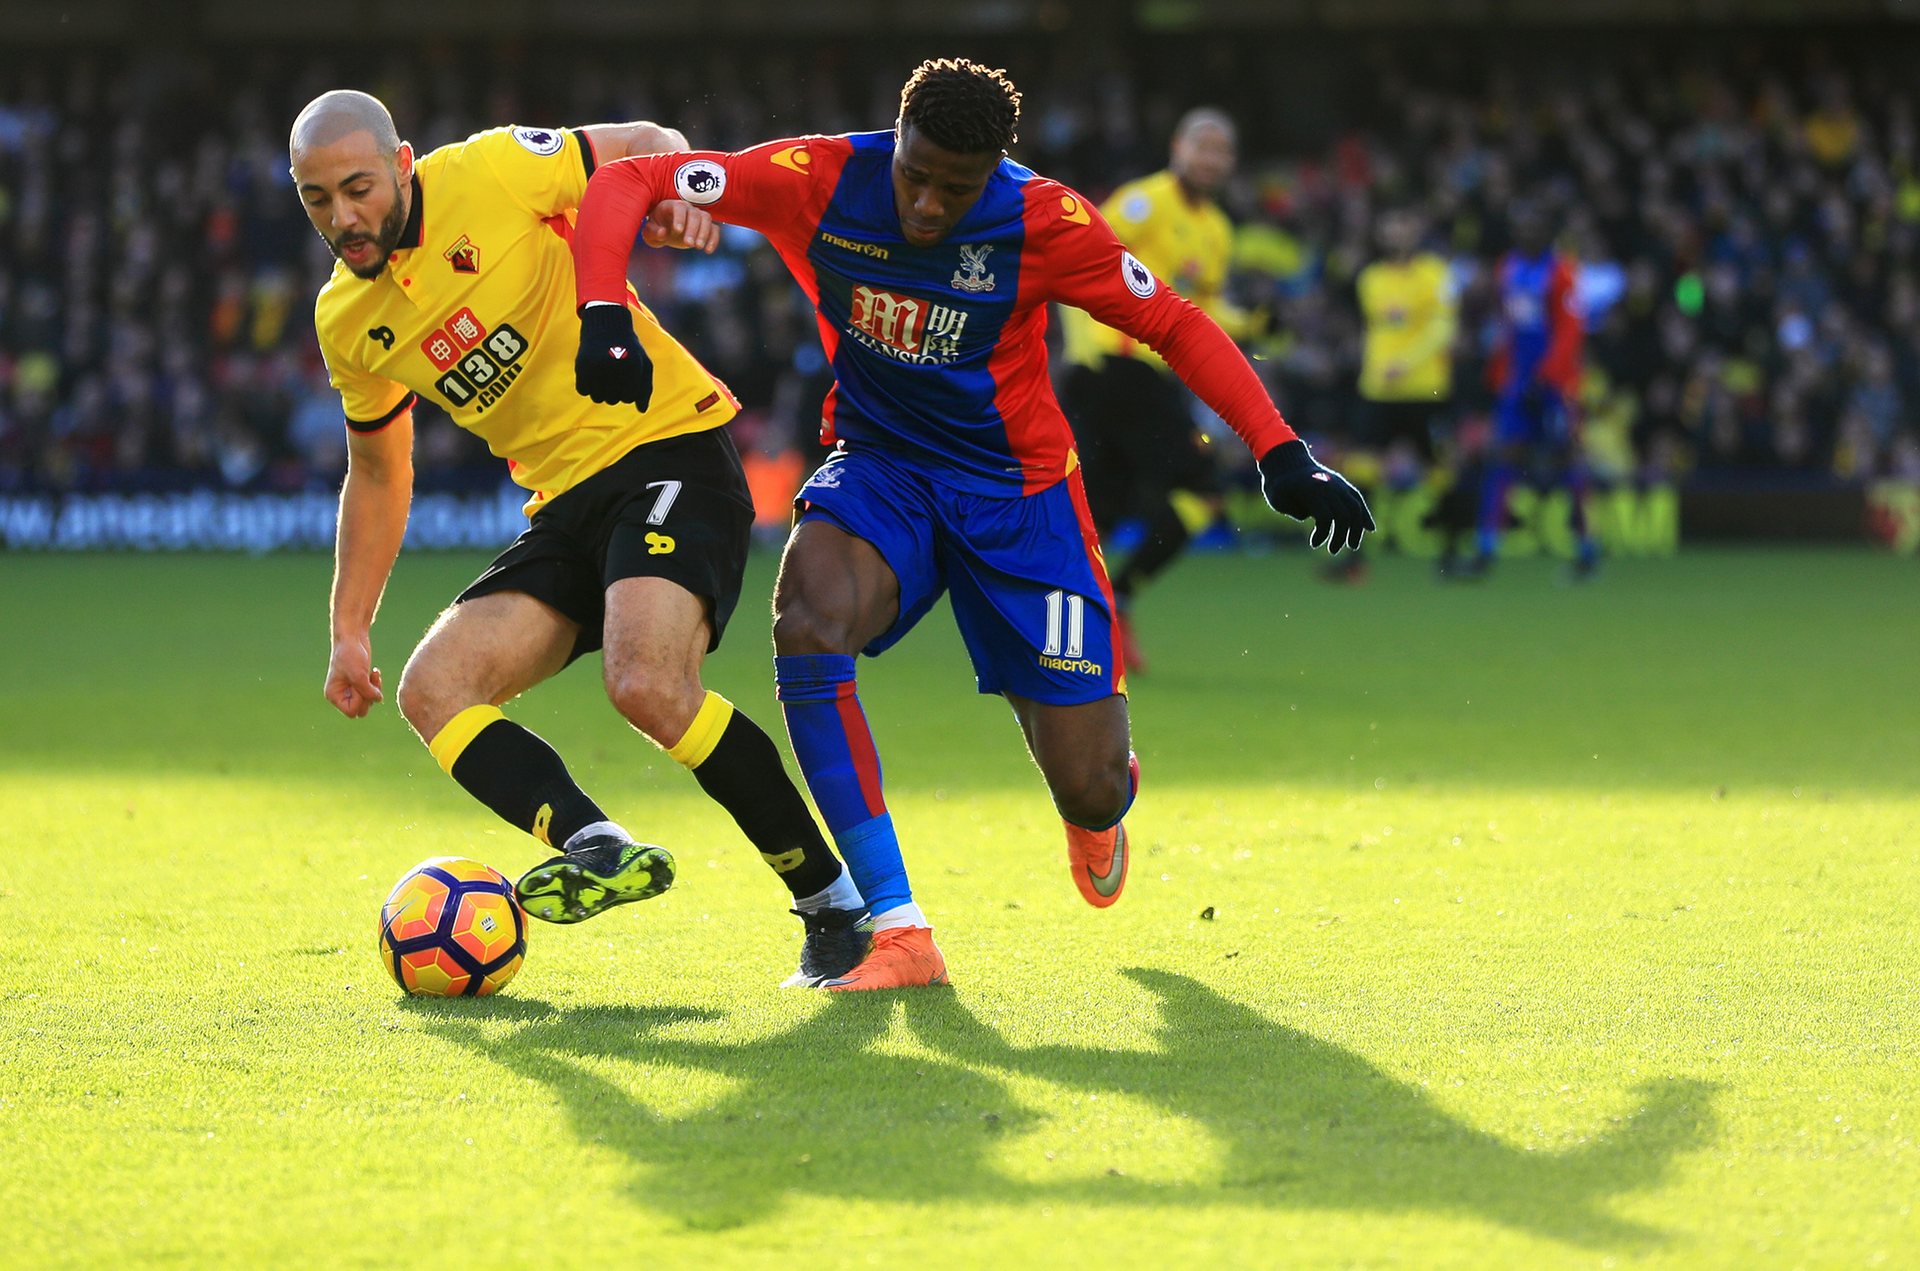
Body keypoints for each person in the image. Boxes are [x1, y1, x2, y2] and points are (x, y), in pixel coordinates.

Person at [568, 58, 1372, 990]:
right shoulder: (819, 178)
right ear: (896, 140)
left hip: (1022, 500)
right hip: (882, 467)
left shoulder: (1044, 220)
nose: (925, 205)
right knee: (807, 618)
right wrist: (602, 312)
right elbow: (631, 179)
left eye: (956, 189)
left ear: (994, 171)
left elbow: (1174, 323)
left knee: (1089, 779)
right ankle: (899, 930)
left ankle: (1101, 797)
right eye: (915, 175)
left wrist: (1281, 451)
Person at [292, 90, 871, 988]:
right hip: (565, 501)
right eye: (317, 199)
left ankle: (831, 905)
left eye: (358, 187)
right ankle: (596, 843)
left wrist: (681, 187)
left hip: (668, 442)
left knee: (646, 683)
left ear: (402, 164)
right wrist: (349, 626)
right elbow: (378, 473)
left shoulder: (488, 169)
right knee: (433, 688)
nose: (344, 216)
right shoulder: (347, 323)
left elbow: (645, 141)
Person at [1056, 107, 1257, 668]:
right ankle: (1112, 604)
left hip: (1145, 377)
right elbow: (1076, 260)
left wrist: (1253, 324)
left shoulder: (1216, 231)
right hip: (1113, 371)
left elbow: (1203, 310)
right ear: (1178, 147)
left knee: (1103, 509)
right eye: (1203, 146)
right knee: (1201, 490)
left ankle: (1085, 630)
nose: (1211, 159)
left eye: (1222, 150)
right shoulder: (1142, 203)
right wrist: (1082, 351)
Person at [1458, 203, 1596, 578]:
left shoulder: (1562, 271)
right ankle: (1485, 551)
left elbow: (1570, 331)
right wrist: (1503, 375)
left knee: (1568, 460)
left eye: (1534, 226)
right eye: (1520, 226)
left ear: (1549, 232)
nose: (1526, 233)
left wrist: (1549, 376)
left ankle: (1587, 551)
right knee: (1502, 459)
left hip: (1553, 384)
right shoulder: (1508, 268)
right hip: (1519, 382)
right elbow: (1508, 327)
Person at [1337, 208, 1457, 582]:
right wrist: (1373, 370)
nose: (1396, 233)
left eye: (1403, 224)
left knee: (1438, 471)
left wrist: (1404, 363)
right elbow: (1378, 331)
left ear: (1415, 229)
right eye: (1390, 226)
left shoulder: (1436, 274)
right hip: (1378, 389)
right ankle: (1354, 558)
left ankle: (1451, 553)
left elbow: (1444, 329)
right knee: (1360, 468)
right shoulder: (1370, 278)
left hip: (1425, 388)